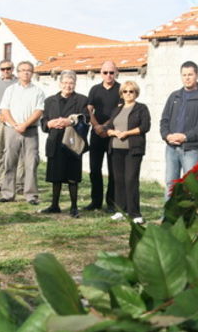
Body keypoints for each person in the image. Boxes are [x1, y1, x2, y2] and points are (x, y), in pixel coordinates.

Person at [160, 60, 198, 198]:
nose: (187, 78)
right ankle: (168, 217)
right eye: (184, 75)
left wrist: (185, 137)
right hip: (171, 148)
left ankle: (190, 217)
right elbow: (164, 120)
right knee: (170, 184)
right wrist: (167, 136)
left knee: (191, 185)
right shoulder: (174, 96)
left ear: (197, 76)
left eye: (190, 74)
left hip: (191, 149)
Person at [40, 70, 88, 218]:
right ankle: (55, 205)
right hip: (55, 141)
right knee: (56, 176)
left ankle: (74, 207)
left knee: (72, 177)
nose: (68, 86)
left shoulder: (81, 100)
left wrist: (70, 121)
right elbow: (43, 121)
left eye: (71, 83)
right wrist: (50, 123)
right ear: (60, 83)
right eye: (65, 83)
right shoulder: (49, 101)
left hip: (72, 143)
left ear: (75, 84)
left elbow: (86, 120)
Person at [0, 61, 44, 205]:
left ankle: (31, 195)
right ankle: (8, 194)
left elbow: (39, 111)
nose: (26, 73)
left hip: (30, 131)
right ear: (17, 72)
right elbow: (4, 109)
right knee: (9, 161)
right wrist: (14, 124)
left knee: (31, 163)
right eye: (23, 70)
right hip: (12, 130)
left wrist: (25, 124)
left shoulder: (38, 91)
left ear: (33, 73)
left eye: (29, 70)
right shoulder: (10, 90)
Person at [106, 81, 150, 224]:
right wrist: (113, 132)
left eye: (131, 91)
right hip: (116, 149)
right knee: (118, 180)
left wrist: (126, 133)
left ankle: (135, 213)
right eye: (125, 91)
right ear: (121, 94)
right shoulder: (117, 109)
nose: (128, 94)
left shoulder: (141, 108)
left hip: (133, 149)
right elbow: (108, 126)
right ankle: (120, 210)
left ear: (136, 93)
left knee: (130, 180)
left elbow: (144, 127)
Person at [85, 61, 120, 213]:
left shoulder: (121, 89)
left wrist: (105, 126)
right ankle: (96, 202)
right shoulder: (95, 89)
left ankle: (112, 203)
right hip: (96, 135)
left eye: (111, 72)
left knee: (114, 171)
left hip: (113, 135)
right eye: (105, 72)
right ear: (101, 73)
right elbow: (89, 110)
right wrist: (96, 126)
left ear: (116, 73)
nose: (108, 75)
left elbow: (119, 112)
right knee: (94, 169)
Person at [0, 60, 23, 193]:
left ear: (13, 69)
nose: (6, 71)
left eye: (8, 68)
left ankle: (18, 183)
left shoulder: (18, 82)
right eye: (3, 69)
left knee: (16, 151)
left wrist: (13, 118)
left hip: (14, 121)